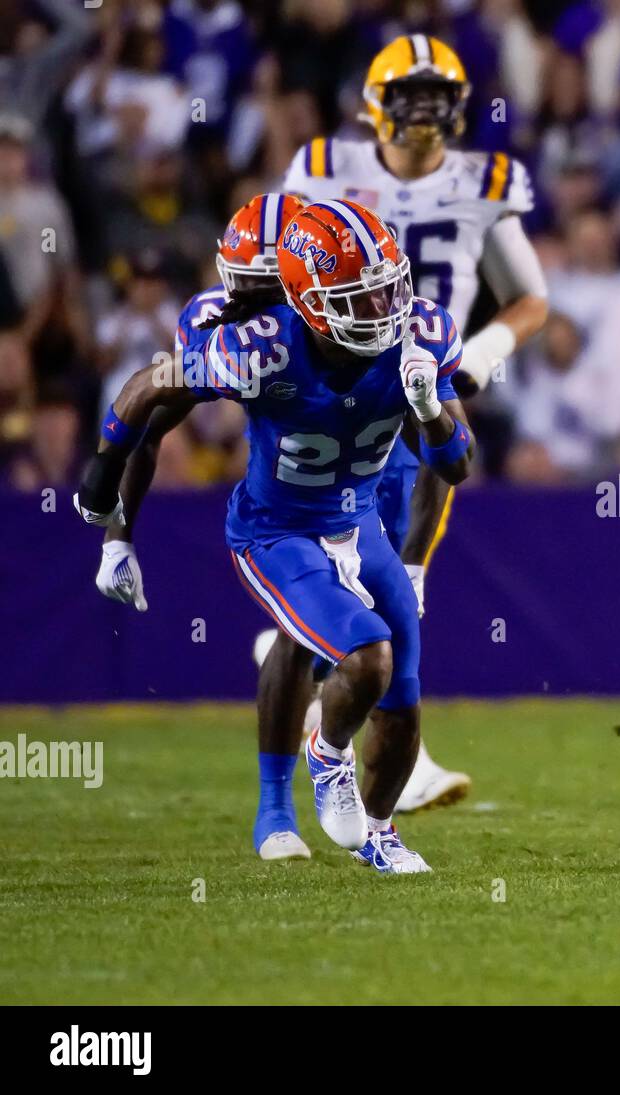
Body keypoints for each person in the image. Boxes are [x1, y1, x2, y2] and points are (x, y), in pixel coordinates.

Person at [76, 199, 474, 874]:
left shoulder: (418, 333)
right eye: (359, 295)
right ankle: (319, 758)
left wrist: (432, 411)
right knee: (367, 656)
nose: (381, 306)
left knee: (402, 692)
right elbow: (149, 394)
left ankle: (378, 832)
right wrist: (105, 500)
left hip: (361, 522)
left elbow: (456, 462)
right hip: (278, 530)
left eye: (385, 286)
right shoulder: (254, 346)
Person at [279, 33, 549, 810]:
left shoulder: (482, 181)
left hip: (419, 370)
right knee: (359, 560)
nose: (425, 113)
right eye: (410, 97)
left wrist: (487, 348)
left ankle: (335, 684)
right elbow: (288, 260)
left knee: (400, 566)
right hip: (338, 371)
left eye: (439, 98)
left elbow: (528, 296)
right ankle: (315, 663)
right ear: (375, 104)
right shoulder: (329, 169)